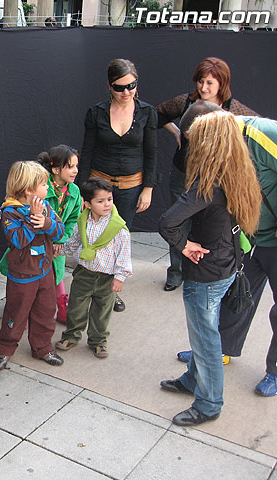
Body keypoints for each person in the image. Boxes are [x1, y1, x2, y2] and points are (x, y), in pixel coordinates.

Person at [159, 110, 261, 426]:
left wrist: (185, 246)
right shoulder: (239, 172)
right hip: (227, 265)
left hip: (206, 272)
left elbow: (167, 222)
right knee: (207, 332)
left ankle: (209, 404)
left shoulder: (207, 182)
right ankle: (192, 381)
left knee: (206, 341)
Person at [171, 103, 277, 397]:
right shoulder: (222, 145)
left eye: (196, 138)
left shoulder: (262, 134)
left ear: (210, 126)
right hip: (250, 236)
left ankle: (275, 370)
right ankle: (219, 352)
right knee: (236, 296)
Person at [156, 57, 258, 292]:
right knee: (177, 222)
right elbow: (157, 114)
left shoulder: (233, 109)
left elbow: (257, 128)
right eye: (201, 81)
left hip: (217, 181)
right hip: (184, 174)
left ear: (222, 84)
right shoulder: (186, 102)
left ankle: (208, 268)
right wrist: (177, 133)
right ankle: (176, 272)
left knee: (214, 226)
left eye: (210, 82)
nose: (204, 88)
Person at [78, 58, 157, 313]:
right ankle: (92, 286)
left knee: (119, 237)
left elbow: (152, 153)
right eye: (119, 87)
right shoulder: (96, 112)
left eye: (131, 86)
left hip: (131, 187)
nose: (126, 92)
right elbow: (87, 151)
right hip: (100, 184)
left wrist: (148, 188)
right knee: (94, 236)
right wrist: (82, 191)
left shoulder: (147, 112)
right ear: (109, 86)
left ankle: (111, 290)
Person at [0, 161, 65, 370]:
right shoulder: (10, 212)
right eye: (44, 185)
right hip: (22, 275)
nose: (48, 188)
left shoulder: (47, 207)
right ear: (28, 190)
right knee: (16, 313)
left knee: (45, 311)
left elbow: (59, 232)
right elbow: (18, 240)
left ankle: (43, 347)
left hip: (44, 271)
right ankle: (4, 348)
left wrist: (47, 223)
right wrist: (35, 220)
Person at [56, 178, 132, 358]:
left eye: (109, 199)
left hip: (107, 277)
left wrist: (120, 277)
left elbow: (124, 254)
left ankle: (98, 341)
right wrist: (61, 250)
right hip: (84, 273)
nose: (106, 204)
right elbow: (75, 241)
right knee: (76, 308)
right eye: (100, 201)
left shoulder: (118, 228)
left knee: (102, 311)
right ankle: (72, 335)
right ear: (88, 204)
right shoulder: (83, 222)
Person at [36, 145, 82, 324]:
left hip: (58, 242)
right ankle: (22, 314)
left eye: (76, 166)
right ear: (56, 169)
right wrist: (51, 238)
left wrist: (61, 239)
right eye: (70, 166)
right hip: (39, 241)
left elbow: (72, 219)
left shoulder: (74, 191)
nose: (75, 171)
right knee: (34, 277)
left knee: (58, 274)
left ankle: (62, 310)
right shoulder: (41, 186)